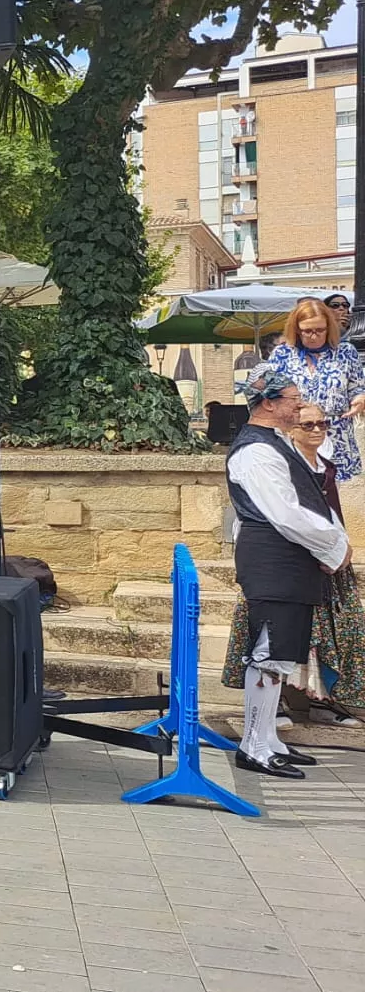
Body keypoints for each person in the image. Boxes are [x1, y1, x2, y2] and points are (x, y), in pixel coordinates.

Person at [221, 371, 351, 780]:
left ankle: (267, 739)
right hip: (274, 562)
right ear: (269, 403)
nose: (299, 404)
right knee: (267, 655)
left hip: (285, 564)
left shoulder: (275, 443)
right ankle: (254, 746)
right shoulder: (256, 451)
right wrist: (334, 546)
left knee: (279, 656)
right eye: (293, 399)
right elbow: (285, 513)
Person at [266, 298, 365, 481]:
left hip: (337, 436)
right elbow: (269, 393)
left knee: (332, 500)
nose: (314, 336)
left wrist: (359, 399)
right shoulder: (282, 354)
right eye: (307, 331)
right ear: (296, 330)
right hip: (297, 436)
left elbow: (357, 387)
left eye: (320, 330)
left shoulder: (345, 352)